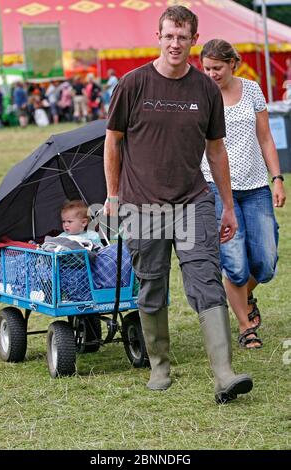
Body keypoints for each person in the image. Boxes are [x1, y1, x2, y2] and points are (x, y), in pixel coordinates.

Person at [103, 6, 253, 404]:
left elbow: (216, 152)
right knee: (151, 284)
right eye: (169, 35)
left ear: (193, 40)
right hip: (142, 206)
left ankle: (223, 373)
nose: (175, 43)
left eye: (182, 37)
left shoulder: (205, 90)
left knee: (204, 279)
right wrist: (114, 196)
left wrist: (227, 205)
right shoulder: (133, 84)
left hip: (193, 203)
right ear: (159, 36)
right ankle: (160, 366)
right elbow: (112, 141)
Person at [200, 39, 286, 349]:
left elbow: (265, 139)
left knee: (265, 262)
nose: (211, 74)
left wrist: (276, 178)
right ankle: (245, 325)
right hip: (215, 186)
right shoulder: (201, 94)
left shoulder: (252, 90)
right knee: (234, 263)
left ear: (232, 64)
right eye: (206, 68)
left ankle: (245, 294)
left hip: (255, 187)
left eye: (217, 68)